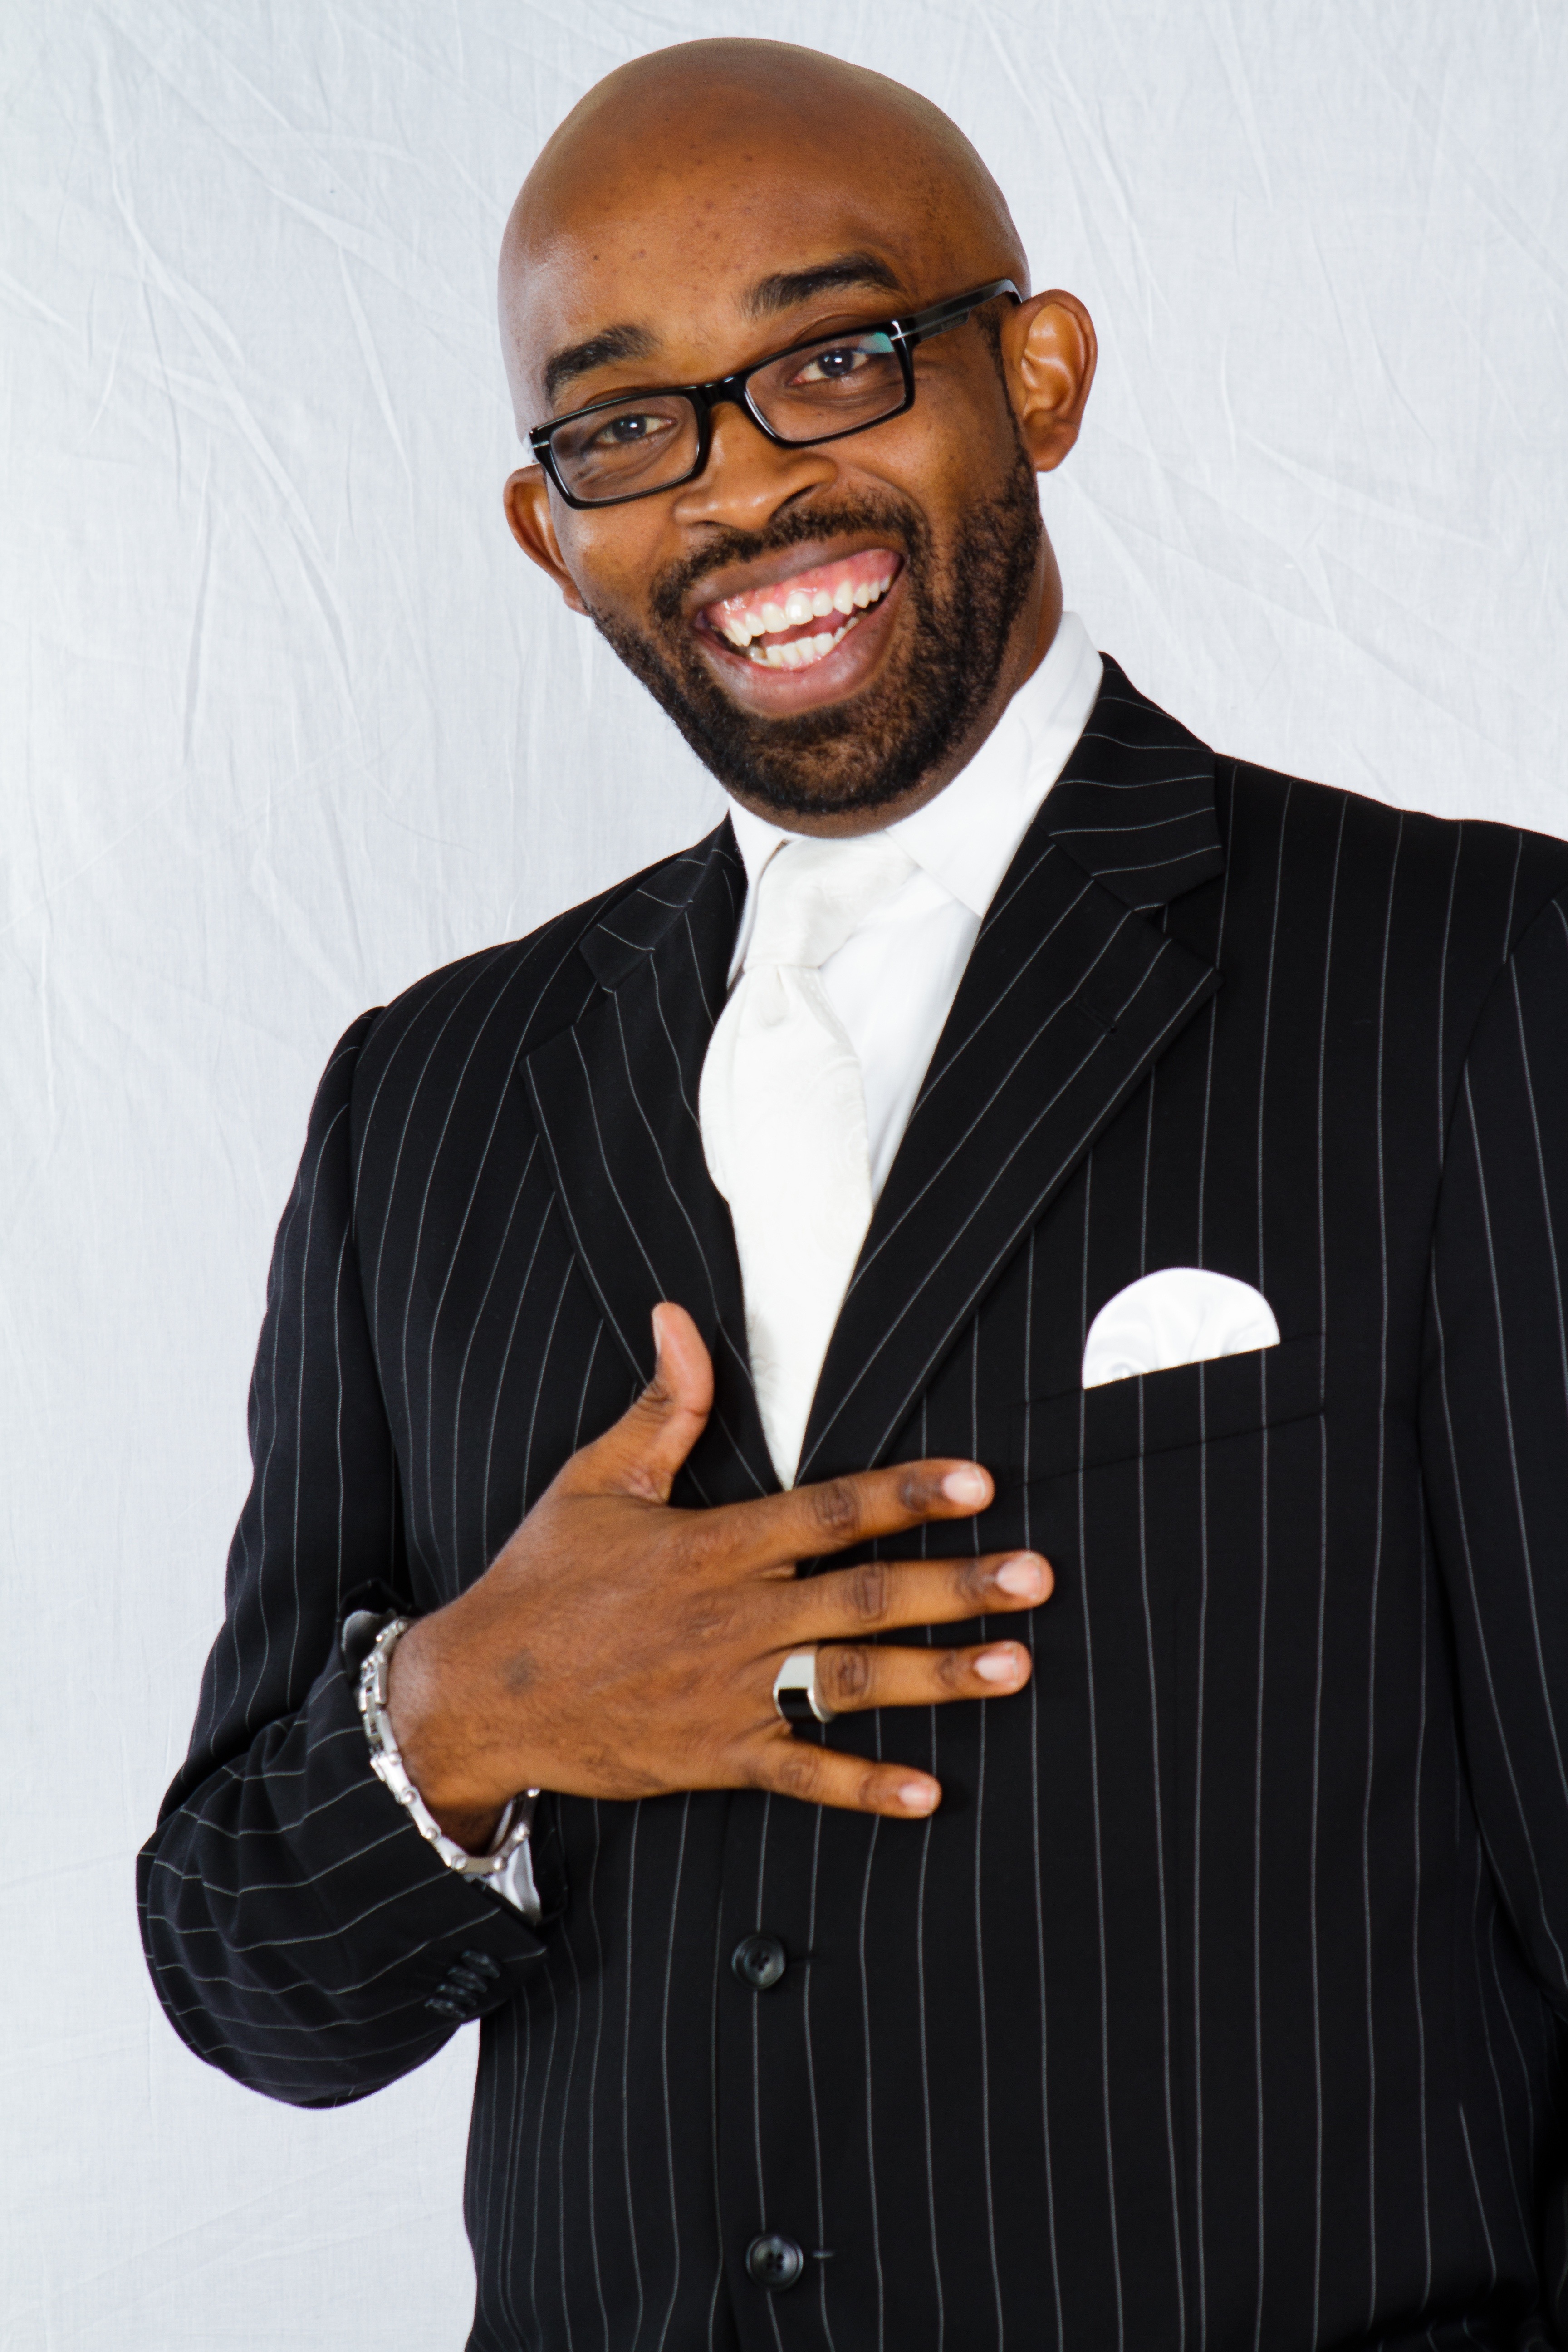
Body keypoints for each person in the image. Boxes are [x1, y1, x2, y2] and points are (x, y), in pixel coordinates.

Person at [138, 36, 1568, 2352]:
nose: (743, 485)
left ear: (1039, 374)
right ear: (551, 530)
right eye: (628, 424)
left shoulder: (1476, 979)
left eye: (832, 360)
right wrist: (469, 1715)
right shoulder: (427, 1102)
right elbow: (248, 1977)